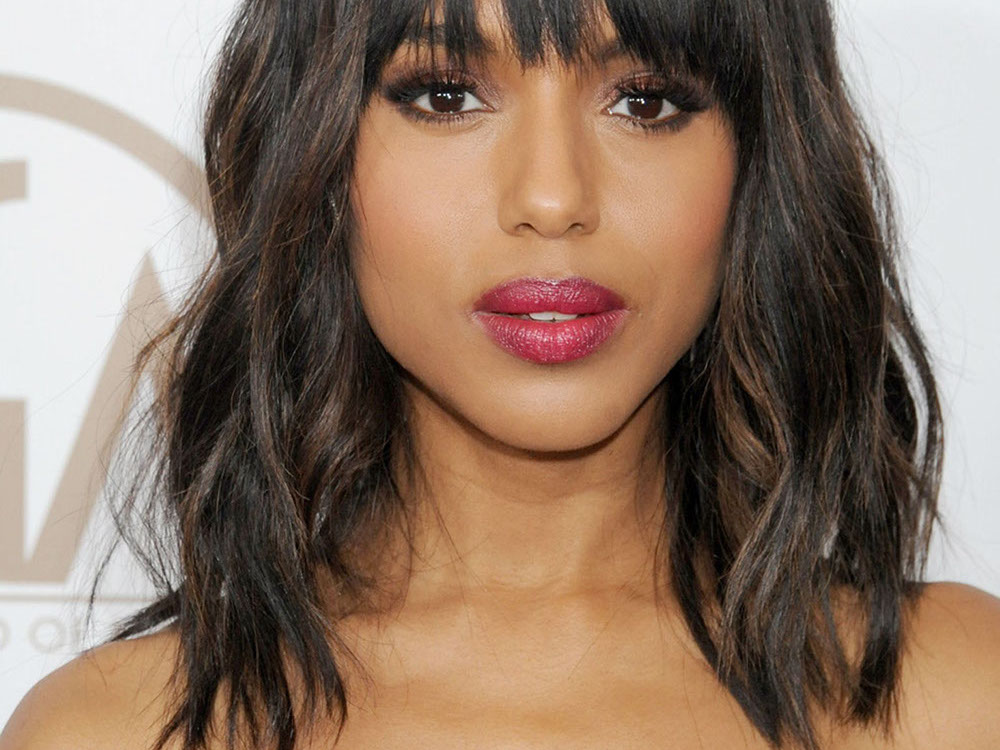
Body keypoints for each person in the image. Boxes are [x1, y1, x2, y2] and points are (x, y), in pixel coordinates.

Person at [3, 0, 999, 747]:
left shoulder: (956, 700)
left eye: (645, 100)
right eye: (446, 95)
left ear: (760, 166)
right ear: (314, 153)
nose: (553, 197)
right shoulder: (113, 733)